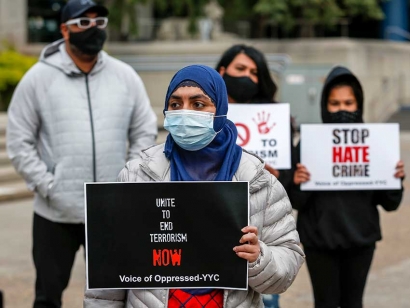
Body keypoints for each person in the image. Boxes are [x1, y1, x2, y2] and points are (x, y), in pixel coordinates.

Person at [84, 64, 305, 307]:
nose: (184, 112)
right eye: (176, 104)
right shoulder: (137, 175)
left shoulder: (257, 180)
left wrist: (258, 258)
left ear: (219, 109)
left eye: (198, 104)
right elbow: (109, 278)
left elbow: (287, 264)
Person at [6, 0, 157, 307]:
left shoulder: (125, 76)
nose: (93, 29)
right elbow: (20, 139)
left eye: (99, 22)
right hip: (54, 212)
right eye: (83, 23)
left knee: (112, 295)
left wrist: (128, 179)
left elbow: (144, 129)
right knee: (47, 295)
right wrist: (49, 186)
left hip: (110, 210)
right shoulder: (38, 78)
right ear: (64, 30)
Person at [289, 66, 405, 308]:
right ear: (324, 105)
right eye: (334, 103)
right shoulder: (308, 143)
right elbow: (295, 202)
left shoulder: (374, 144)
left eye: (348, 103)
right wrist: (298, 183)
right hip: (319, 239)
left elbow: (390, 203)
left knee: (354, 303)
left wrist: (395, 179)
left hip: (361, 238)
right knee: (325, 303)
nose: (342, 109)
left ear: (359, 105)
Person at [216, 44, 294, 308]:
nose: (247, 76)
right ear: (222, 71)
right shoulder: (203, 119)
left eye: (254, 72)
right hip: (215, 220)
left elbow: (291, 188)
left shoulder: (276, 121)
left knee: (265, 298)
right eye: (240, 69)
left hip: (262, 229)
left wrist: (278, 177)